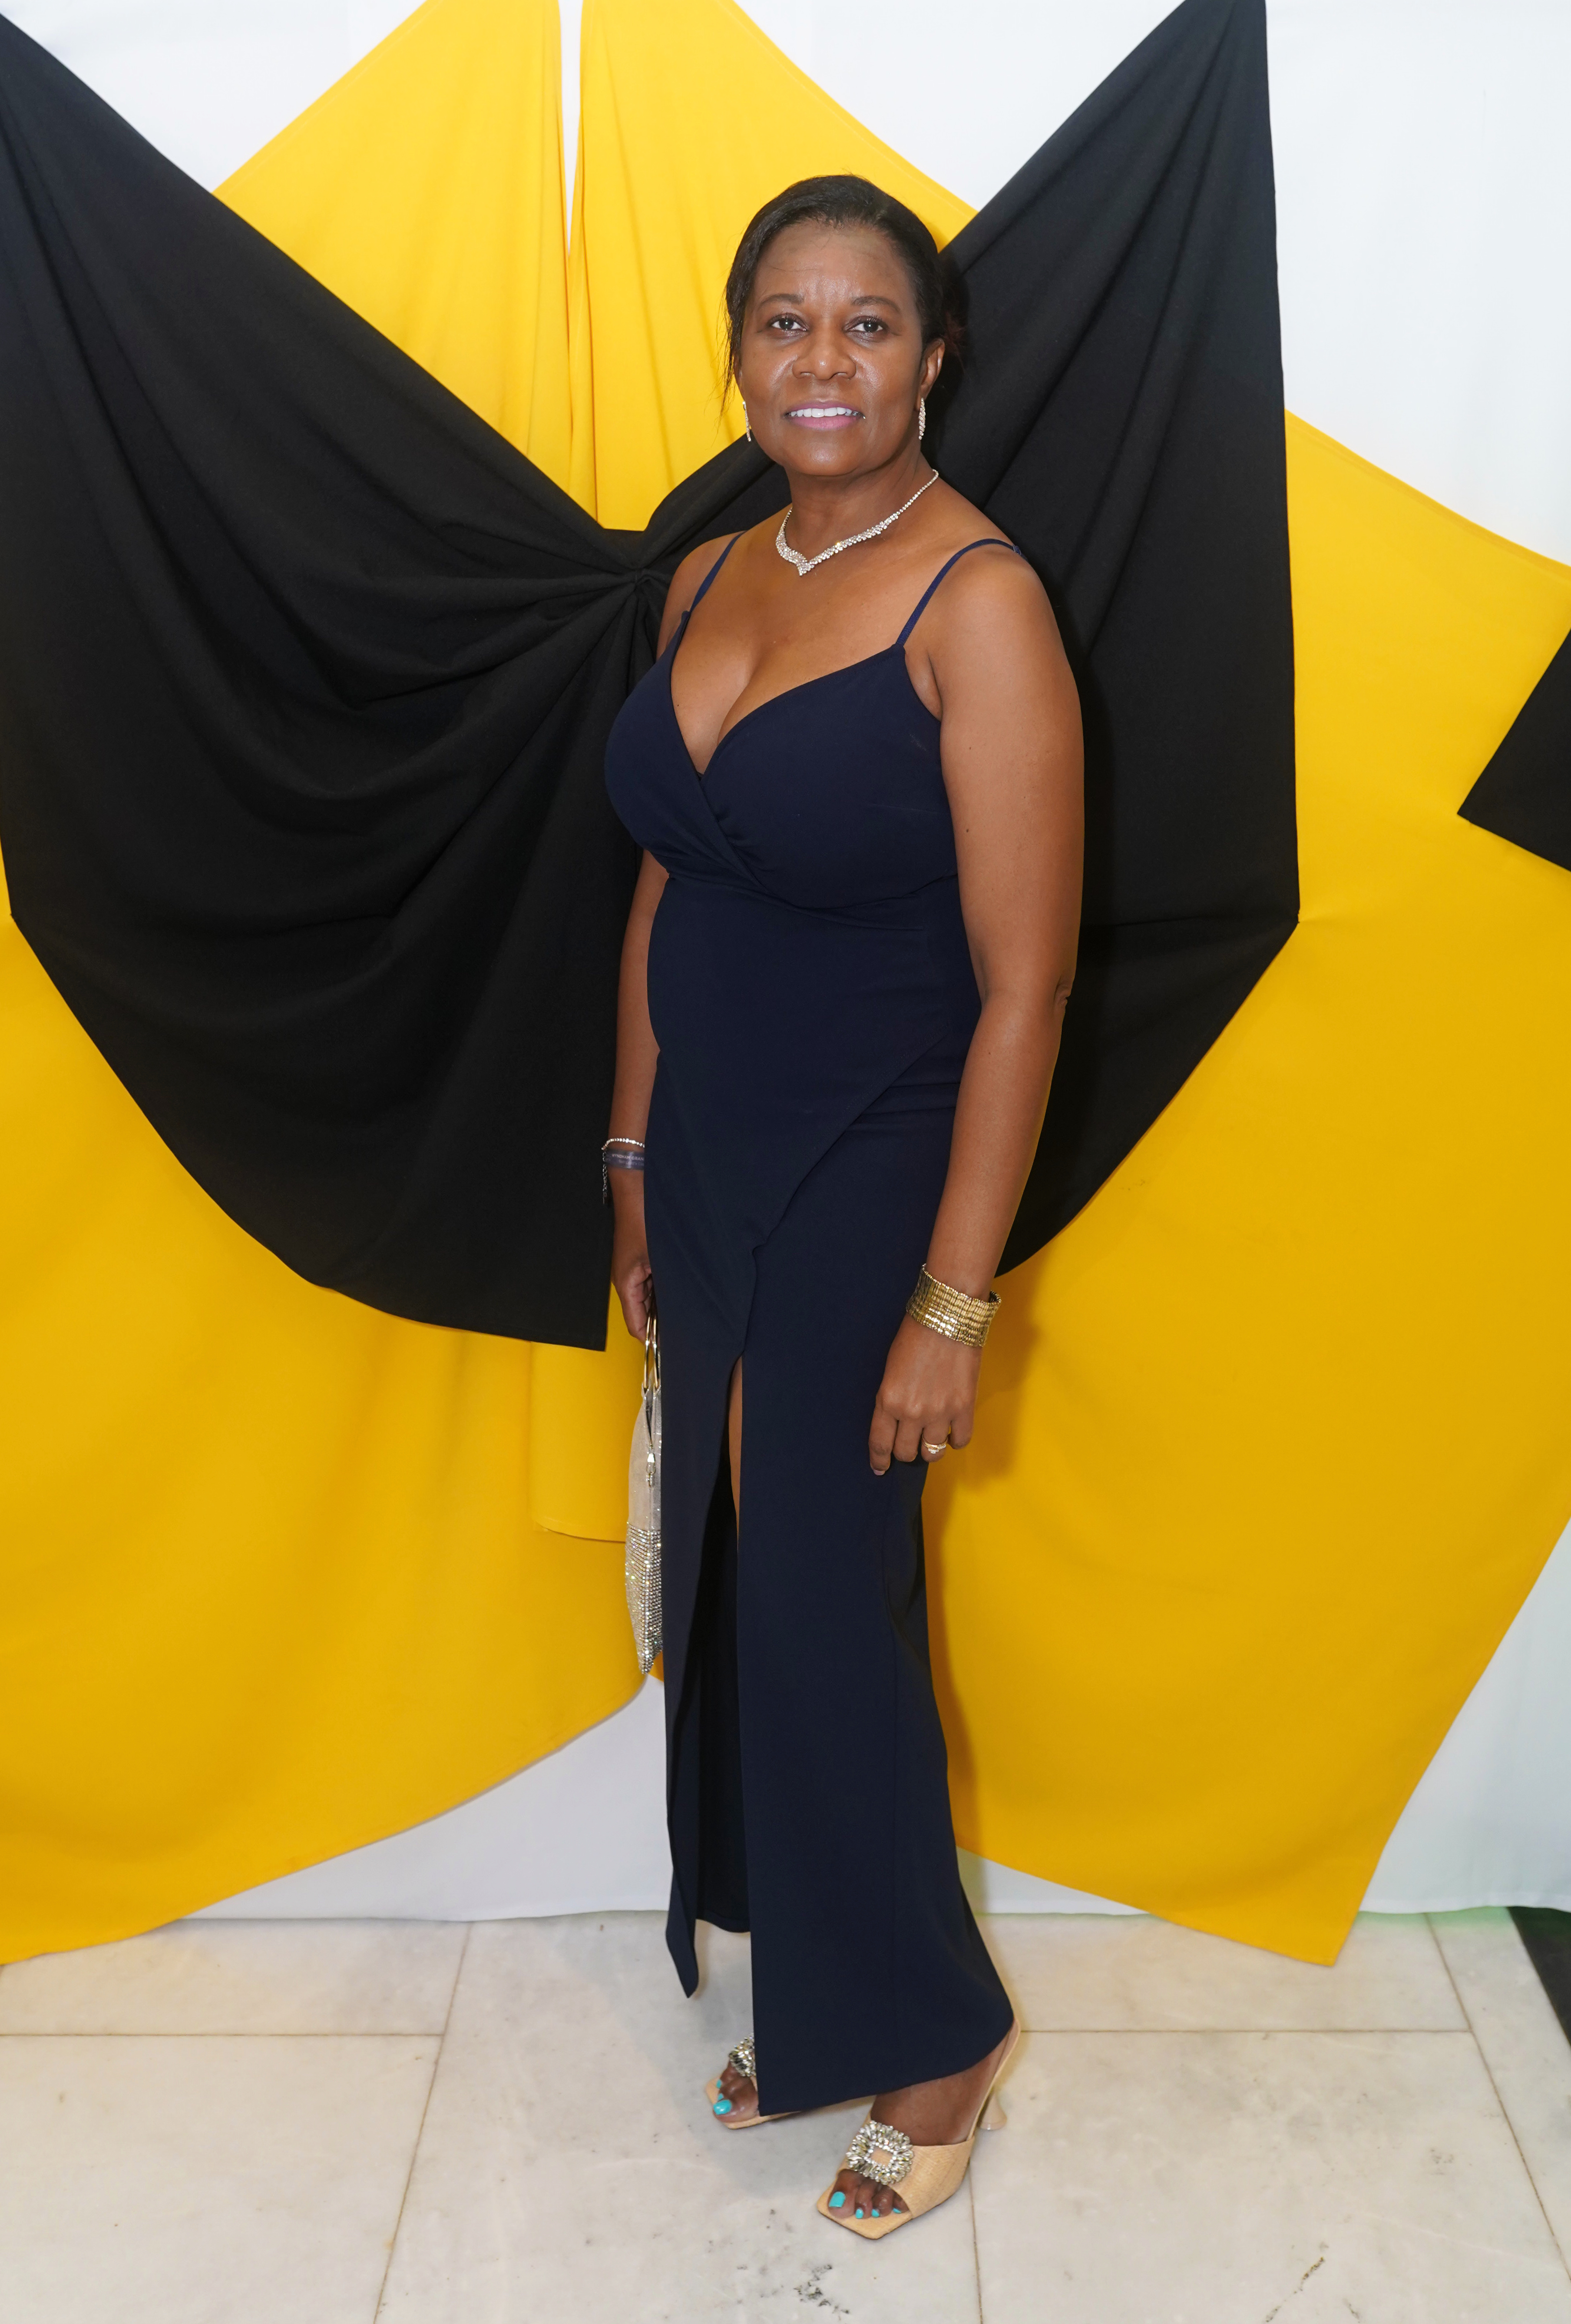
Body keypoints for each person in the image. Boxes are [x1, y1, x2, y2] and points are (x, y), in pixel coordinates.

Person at [602, 175, 1082, 2237]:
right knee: (733, 1575)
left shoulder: (979, 603)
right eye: (784, 322)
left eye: (867, 324)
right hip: (706, 1154)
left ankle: (933, 2033)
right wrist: (630, 1160)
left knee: (820, 1588)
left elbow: (1026, 986)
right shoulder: (704, 572)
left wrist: (951, 1306)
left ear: (931, 357)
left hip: (876, 1161)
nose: (823, 360)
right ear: (738, 353)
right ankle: (823, 1997)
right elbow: (667, 876)